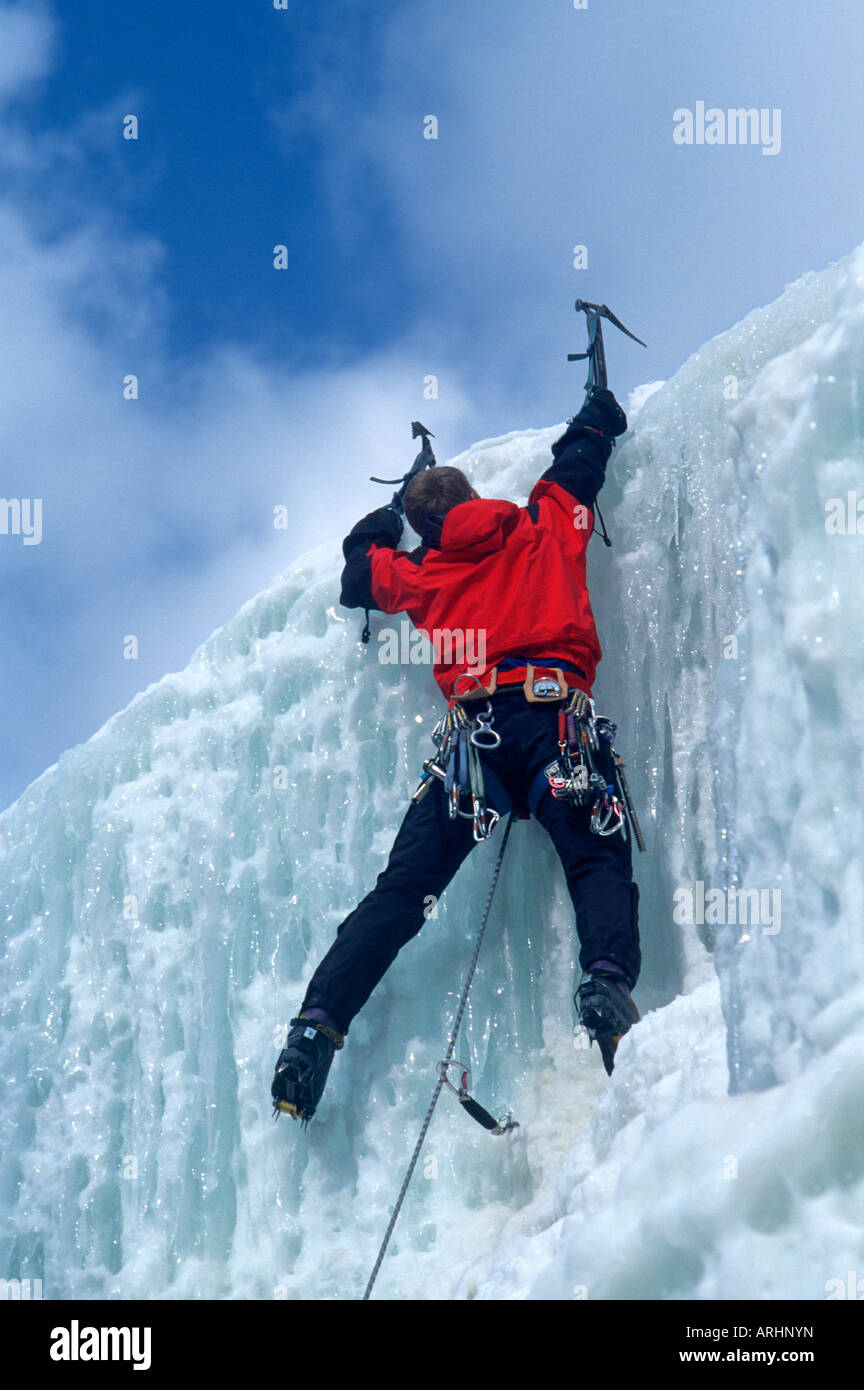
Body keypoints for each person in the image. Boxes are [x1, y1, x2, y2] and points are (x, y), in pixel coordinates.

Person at [272, 387, 640, 1122]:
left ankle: (316, 1026)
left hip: (474, 747)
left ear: (421, 527)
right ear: (475, 496)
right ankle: (605, 983)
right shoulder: (542, 523)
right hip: (553, 722)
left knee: (401, 895)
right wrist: (598, 407)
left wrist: (387, 522)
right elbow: (581, 458)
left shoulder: (421, 573)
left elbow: (358, 572)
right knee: (596, 860)